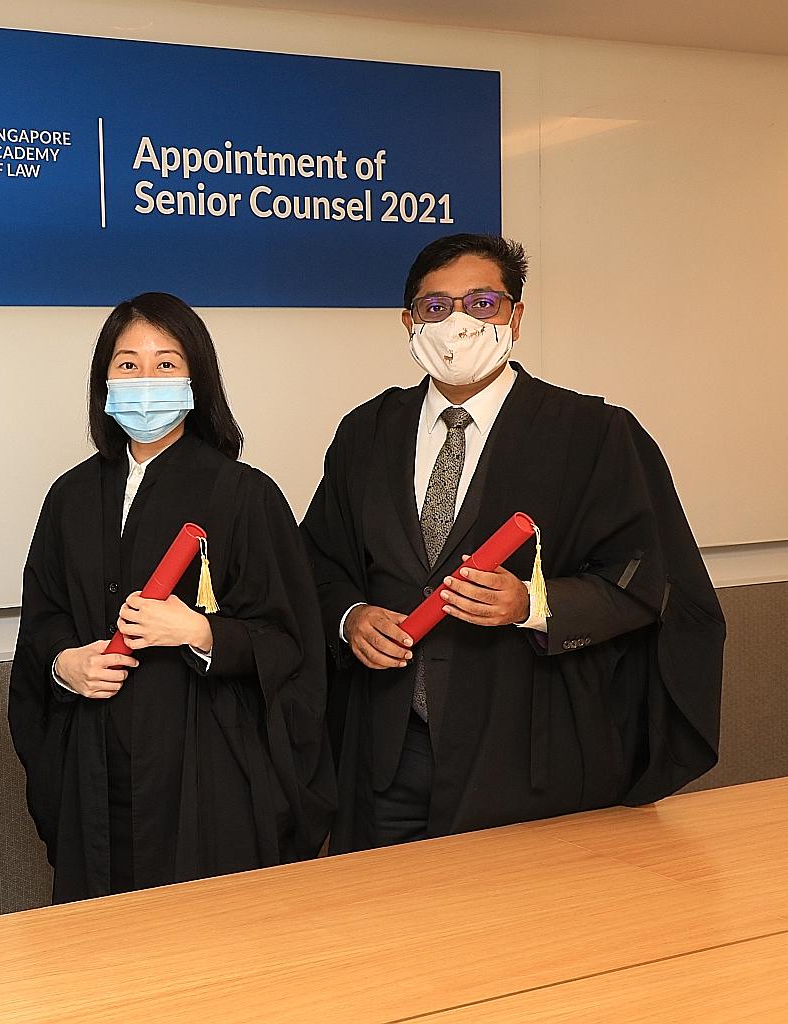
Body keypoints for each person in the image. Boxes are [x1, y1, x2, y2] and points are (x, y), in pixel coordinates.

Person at [300, 233, 723, 851]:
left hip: (527, 748)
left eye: (482, 303)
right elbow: (319, 560)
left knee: (520, 931)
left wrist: (533, 603)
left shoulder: (593, 434)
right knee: (386, 929)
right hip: (386, 751)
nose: (459, 325)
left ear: (515, 317)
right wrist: (349, 616)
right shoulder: (367, 431)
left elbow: (644, 580)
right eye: (435, 307)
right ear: (409, 323)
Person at [9, 292, 335, 902]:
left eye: (166, 363)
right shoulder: (70, 496)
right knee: (99, 944)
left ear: (197, 378)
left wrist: (202, 634)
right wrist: (65, 662)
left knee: (204, 945)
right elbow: (44, 618)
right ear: (103, 378)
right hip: (93, 761)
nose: (145, 379)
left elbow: (293, 642)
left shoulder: (244, 495)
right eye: (127, 363)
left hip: (203, 768)